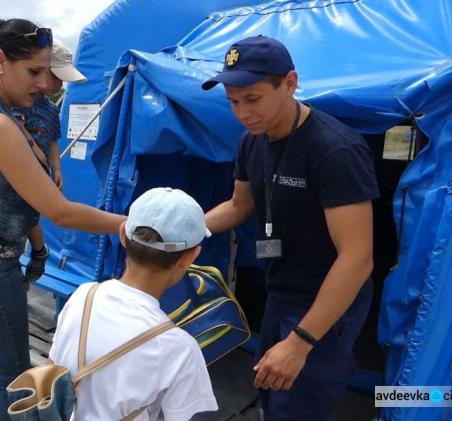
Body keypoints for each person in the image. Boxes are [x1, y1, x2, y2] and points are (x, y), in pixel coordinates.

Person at [0, 17, 125, 421]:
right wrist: (127, 223)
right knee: (15, 374)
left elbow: (19, 199)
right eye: (34, 72)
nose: (43, 84)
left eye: (45, 72)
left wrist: (37, 247)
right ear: (0, 59)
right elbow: (58, 210)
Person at [201, 35, 379, 420]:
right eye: (233, 102)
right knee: (272, 391)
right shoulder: (253, 142)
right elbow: (237, 206)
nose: (242, 113)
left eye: (252, 99)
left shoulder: (334, 149)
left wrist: (300, 342)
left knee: (298, 405)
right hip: (281, 290)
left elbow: (357, 258)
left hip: (325, 305)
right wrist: (177, 230)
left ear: (289, 83)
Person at [48, 187, 219, 420]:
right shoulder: (179, 348)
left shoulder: (83, 296)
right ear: (190, 257)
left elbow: (50, 373)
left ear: (122, 236)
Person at [14, 39, 88, 287]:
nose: (59, 85)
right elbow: (20, 131)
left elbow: (54, 140)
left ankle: (37, 252)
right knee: (22, 213)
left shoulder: (50, 109)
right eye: (56, 78)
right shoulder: (20, 101)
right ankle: (31, 255)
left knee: (32, 213)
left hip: (41, 169)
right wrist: (36, 155)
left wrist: (56, 168)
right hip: (23, 167)